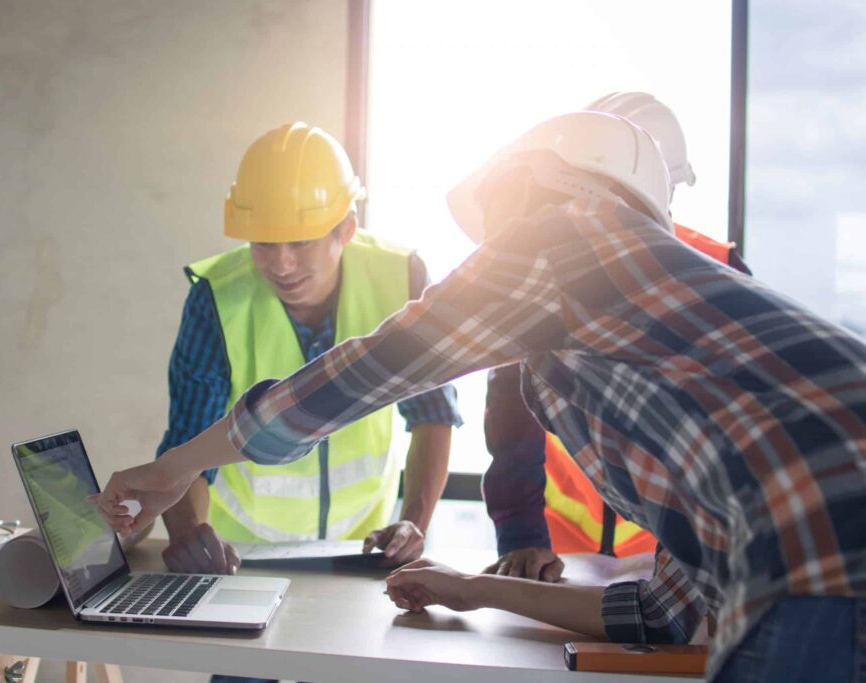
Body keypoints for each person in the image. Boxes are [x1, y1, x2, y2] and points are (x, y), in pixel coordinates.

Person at [94, 111, 866, 682]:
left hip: (825, 544)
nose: (484, 256)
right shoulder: (637, 349)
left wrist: (175, 469)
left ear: (529, 188)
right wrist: (473, 588)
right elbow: (667, 607)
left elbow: (372, 370)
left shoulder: (565, 234)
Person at [155, 122, 461, 581]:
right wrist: (188, 533)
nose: (281, 264)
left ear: (347, 229)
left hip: (363, 550)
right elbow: (188, 440)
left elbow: (432, 411)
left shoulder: (401, 279)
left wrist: (413, 522)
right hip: (240, 556)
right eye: (264, 243)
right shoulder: (216, 297)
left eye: (301, 242)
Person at [479, 93, 752, 583]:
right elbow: (511, 405)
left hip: (679, 554)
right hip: (561, 554)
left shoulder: (720, 271)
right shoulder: (553, 264)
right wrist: (520, 533)